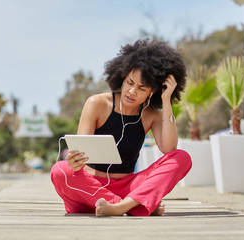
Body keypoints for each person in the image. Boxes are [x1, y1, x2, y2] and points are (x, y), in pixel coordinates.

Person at [51, 39, 192, 217]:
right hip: (88, 188)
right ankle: (132, 205)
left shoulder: (152, 114)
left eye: (141, 88)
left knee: (182, 157)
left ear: (153, 91)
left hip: (127, 186)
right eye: (129, 82)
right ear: (122, 77)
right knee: (60, 170)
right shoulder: (97, 103)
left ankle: (120, 206)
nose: (132, 91)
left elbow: (169, 149)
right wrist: (74, 161)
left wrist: (166, 100)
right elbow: (80, 152)